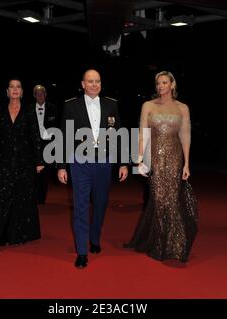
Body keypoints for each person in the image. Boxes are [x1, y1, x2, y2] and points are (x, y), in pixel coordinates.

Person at [57, 69, 129, 269]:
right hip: (80, 162)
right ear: (83, 84)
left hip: (104, 162)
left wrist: (123, 162)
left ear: (101, 84)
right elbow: (64, 136)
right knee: (80, 206)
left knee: (100, 203)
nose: (94, 84)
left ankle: (95, 238)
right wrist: (61, 166)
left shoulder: (111, 104)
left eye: (97, 81)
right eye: (90, 81)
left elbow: (119, 134)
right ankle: (82, 251)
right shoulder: (71, 105)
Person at [125, 71, 198, 262]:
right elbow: (142, 134)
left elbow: (185, 136)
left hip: (174, 158)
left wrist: (187, 164)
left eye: (164, 82)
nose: (161, 86)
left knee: (172, 199)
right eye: (158, 83)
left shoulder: (183, 108)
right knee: (158, 198)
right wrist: (139, 160)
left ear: (172, 84)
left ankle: (174, 244)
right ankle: (158, 242)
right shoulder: (148, 105)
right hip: (153, 157)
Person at [0, 78, 44, 253]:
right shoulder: (0, 112)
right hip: (4, 162)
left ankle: (20, 235)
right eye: (12, 87)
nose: (15, 89)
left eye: (18, 87)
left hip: (25, 162)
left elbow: (35, 138)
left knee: (22, 198)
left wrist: (39, 161)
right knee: (0, 198)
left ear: (22, 92)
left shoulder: (29, 111)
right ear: (7, 92)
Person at [30, 84, 58, 204]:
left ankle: (41, 198)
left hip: (48, 144)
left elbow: (57, 127)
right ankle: (34, 195)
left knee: (46, 172)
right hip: (33, 144)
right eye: (38, 93)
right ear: (34, 95)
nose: (40, 96)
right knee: (33, 171)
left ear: (45, 95)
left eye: (42, 93)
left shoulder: (53, 108)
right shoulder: (28, 109)